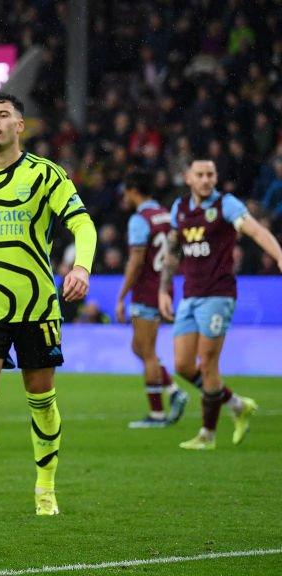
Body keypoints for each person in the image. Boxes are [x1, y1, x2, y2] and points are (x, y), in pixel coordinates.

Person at [0, 92, 97, 519]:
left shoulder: (45, 174)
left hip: (36, 305)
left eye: (3, 116)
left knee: (41, 397)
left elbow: (82, 223)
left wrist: (81, 267)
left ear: (20, 126)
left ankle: (45, 489)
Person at [160, 159, 281, 450]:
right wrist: (165, 289)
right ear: (188, 178)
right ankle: (236, 404)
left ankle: (207, 435)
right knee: (183, 365)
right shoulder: (180, 208)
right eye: (200, 175)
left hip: (218, 294)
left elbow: (257, 231)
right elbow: (174, 249)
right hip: (189, 294)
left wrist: (279, 255)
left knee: (208, 364)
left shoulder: (226, 205)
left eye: (210, 174)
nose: (206, 180)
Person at [115, 171, 188, 428]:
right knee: (140, 348)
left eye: (126, 191)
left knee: (146, 352)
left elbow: (136, 262)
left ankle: (157, 414)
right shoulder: (167, 215)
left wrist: (122, 295)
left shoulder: (139, 220)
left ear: (135, 190)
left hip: (146, 290)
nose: (124, 196)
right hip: (164, 287)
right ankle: (174, 392)